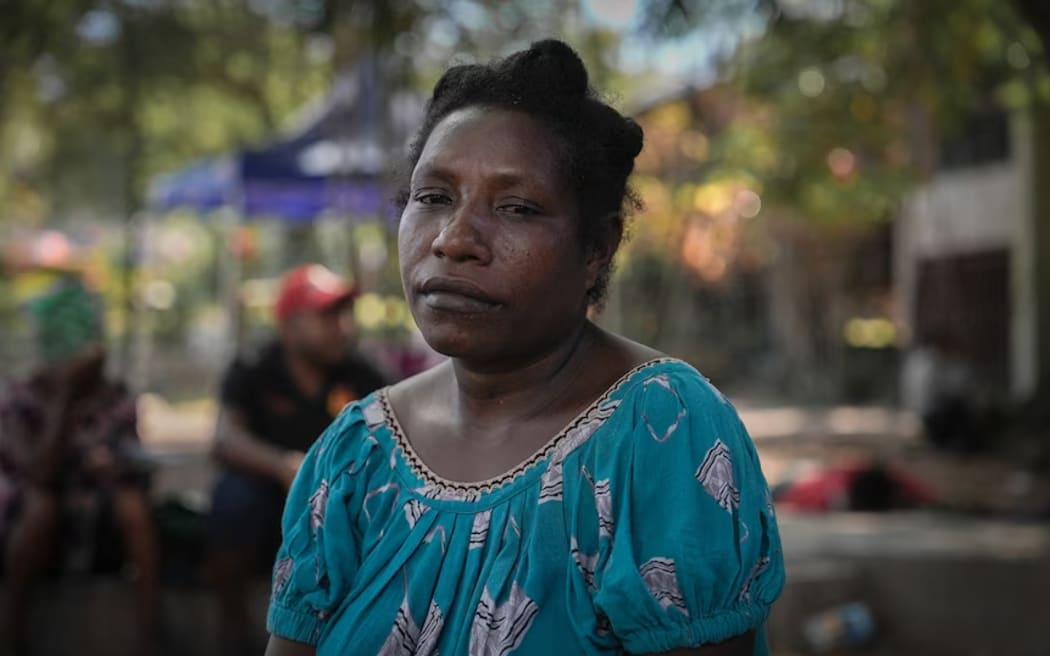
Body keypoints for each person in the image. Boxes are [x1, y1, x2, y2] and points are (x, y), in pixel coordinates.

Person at [266, 41, 784, 656]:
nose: (455, 240)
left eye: (516, 207)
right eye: (432, 197)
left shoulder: (660, 432)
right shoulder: (355, 456)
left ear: (596, 249)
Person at [209, 263, 387, 655]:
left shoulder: (361, 373)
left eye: (344, 314)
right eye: (326, 315)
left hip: (340, 501)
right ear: (289, 325)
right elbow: (224, 438)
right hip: (270, 498)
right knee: (232, 497)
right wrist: (283, 465)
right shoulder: (255, 369)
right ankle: (233, 628)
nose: (342, 326)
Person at [0, 277, 160, 656]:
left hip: (99, 528)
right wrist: (65, 399)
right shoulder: (20, 399)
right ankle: (11, 636)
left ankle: (152, 635)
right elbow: (38, 474)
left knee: (132, 504)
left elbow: (134, 470)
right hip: (31, 531)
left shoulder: (116, 399)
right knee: (42, 506)